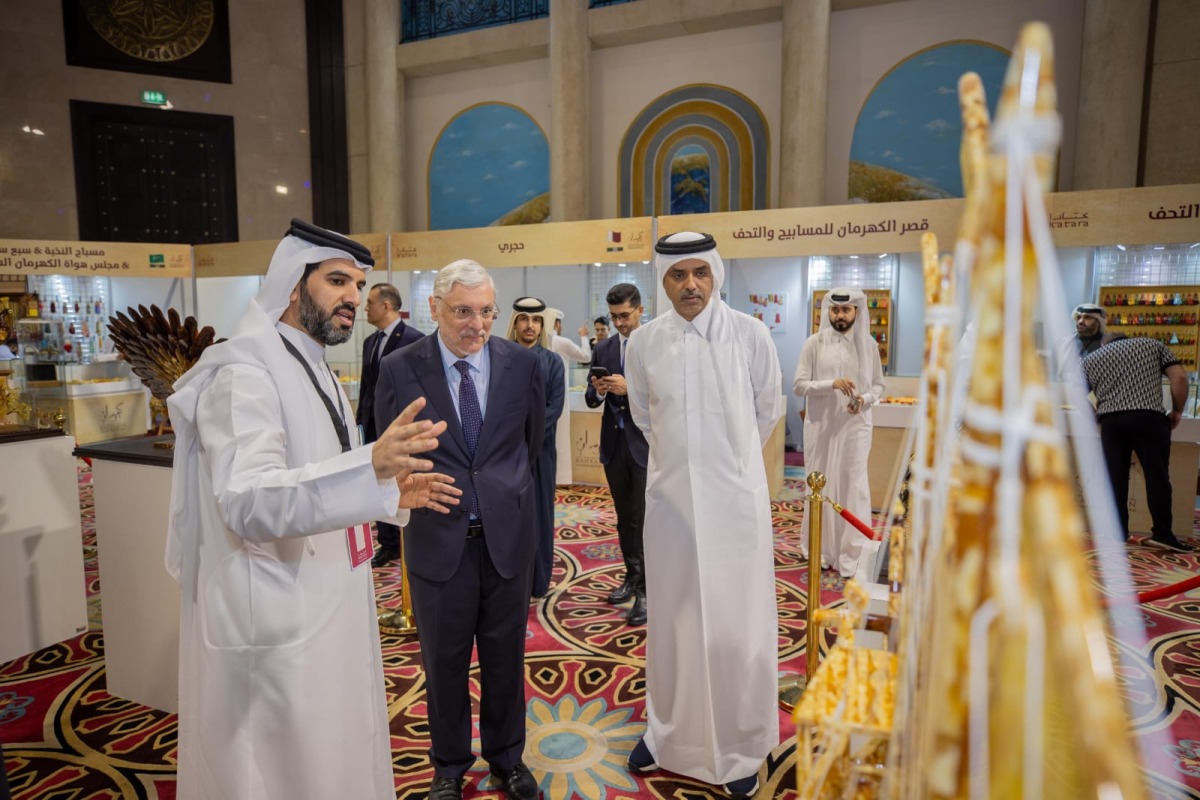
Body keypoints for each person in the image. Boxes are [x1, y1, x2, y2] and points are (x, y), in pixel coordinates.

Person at [165, 219, 461, 800]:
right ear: (293, 286)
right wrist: (368, 466)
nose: (353, 297)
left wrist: (384, 494)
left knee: (333, 755)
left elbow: (318, 475)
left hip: (328, 599)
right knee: (280, 772)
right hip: (272, 614)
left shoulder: (313, 361)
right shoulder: (243, 370)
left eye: (357, 284)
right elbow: (246, 500)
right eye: (336, 281)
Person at [374, 260, 545, 800]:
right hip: (436, 542)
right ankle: (447, 766)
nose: (476, 324)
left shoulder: (521, 363)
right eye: (463, 312)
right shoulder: (401, 367)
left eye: (486, 311)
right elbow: (388, 450)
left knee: (505, 657)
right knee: (442, 662)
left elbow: (531, 443)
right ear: (434, 309)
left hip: (505, 543)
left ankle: (507, 760)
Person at [624, 231, 783, 799]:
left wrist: (727, 470)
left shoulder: (750, 334)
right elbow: (645, 417)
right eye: (676, 275)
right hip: (671, 510)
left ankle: (740, 743)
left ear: (714, 275)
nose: (690, 285)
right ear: (662, 280)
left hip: (736, 509)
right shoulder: (641, 343)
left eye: (699, 273)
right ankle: (667, 732)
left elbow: (767, 411)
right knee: (674, 619)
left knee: (735, 623)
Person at [792, 288, 887, 579]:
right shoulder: (813, 344)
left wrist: (864, 400)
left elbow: (878, 387)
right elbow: (799, 385)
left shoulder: (868, 345)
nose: (840, 316)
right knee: (820, 488)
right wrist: (830, 384)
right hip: (821, 428)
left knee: (852, 484)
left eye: (846, 311)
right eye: (835, 310)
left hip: (856, 428)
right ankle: (821, 551)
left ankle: (852, 554)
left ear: (857, 311)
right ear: (828, 312)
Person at [1081, 336, 1189, 550]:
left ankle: (1117, 532)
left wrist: (1095, 415)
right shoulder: (1153, 345)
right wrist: (1177, 410)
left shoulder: (1091, 358)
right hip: (1147, 416)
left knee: (1115, 478)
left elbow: (1074, 392)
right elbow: (1180, 379)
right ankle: (1162, 534)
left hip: (1111, 421)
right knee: (1156, 476)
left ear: (1105, 344)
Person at [584, 283, 649, 626]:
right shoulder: (604, 347)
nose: (620, 323)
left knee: (645, 521)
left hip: (645, 445)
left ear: (640, 309)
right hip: (613, 444)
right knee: (624, 518)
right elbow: (590, 399)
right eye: (614, 317)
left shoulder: (655, 343)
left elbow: (667, 396)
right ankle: (631, 575)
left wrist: (632, 389)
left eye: (625, 315)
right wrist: (597, 391)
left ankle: (646, 591)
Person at [358, 282, 425, 567]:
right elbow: (366, 387)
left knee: (405, 484)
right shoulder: (369, 342)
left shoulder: (414, 339)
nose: (364, 307)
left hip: (401, 428)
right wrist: (361, 422)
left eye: (370, 301)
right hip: (374, 427)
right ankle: (387, 543)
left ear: (386, 305)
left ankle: (409, 541)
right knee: (378, 483)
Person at [505, 296, 565, 598]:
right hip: (503, 454)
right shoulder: (499, 357)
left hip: (539, 453)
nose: (530, 325)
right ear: (514, 323)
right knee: (507, 517)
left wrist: (526, 436)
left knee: (540, 515)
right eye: (524, 319)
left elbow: (554, 408)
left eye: (536, 320)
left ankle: (538, 581)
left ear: (542, 325)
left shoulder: (552, 362)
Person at [548, 309, 592, 484]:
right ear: (557, 324)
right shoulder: (561, 342)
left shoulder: (540, 342)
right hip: (561, 397)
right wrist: (583, 336)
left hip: (542, 399)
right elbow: (586, 356)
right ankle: (561, 478)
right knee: (561, 438)